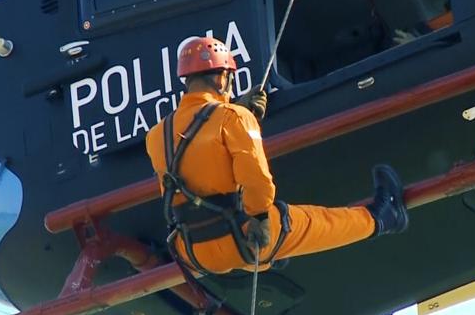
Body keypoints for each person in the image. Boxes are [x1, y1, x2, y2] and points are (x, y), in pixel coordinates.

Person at [144, 36, 409, 275]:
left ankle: (274, 256)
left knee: (254, 242)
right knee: (314, 223)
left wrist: (237, 111)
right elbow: (256, 179)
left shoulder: (156, 135)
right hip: (241, 239)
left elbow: (198, 158)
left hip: (194, 253)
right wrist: (260, 218)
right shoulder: (235, 117)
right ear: (222, 78)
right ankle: (382, 218)